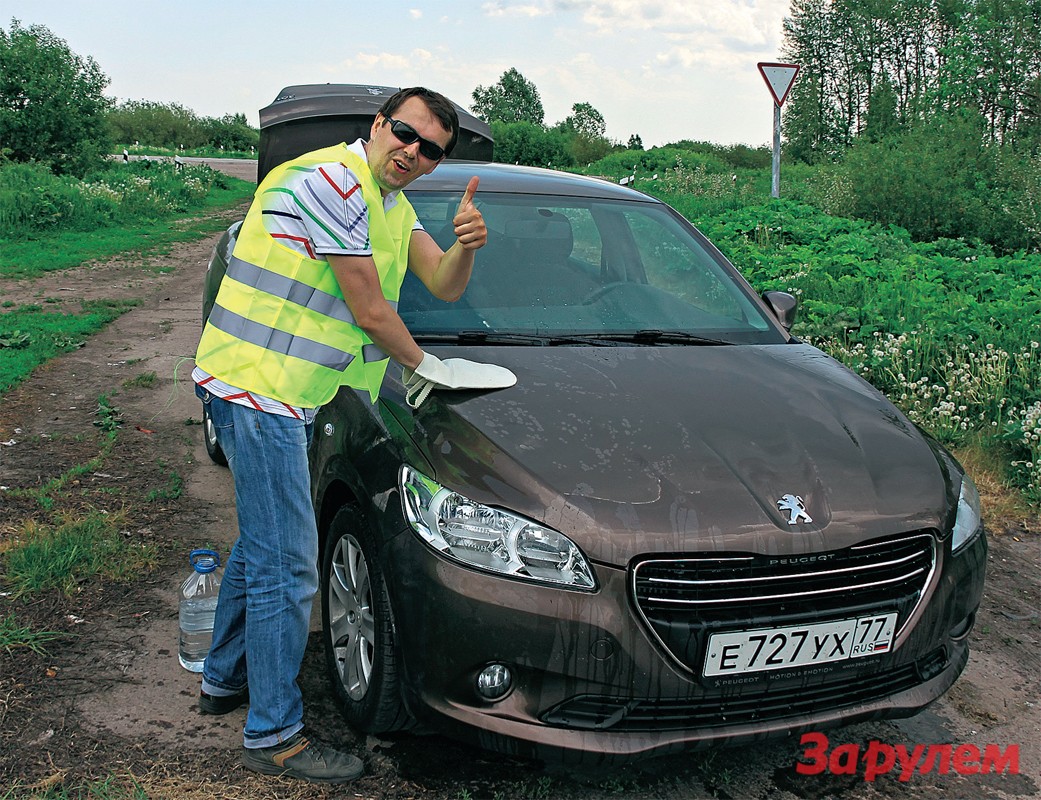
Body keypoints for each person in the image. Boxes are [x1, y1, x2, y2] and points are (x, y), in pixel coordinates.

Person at [190, 87, 489, 784]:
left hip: (287, 392)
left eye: (431, 150)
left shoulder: (392, 203)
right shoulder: (329, 180)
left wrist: (466, 245)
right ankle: (273, 736)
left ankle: (224, 678)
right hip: (254, 385)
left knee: (262, 549)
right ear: (379, 125)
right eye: (406, 135)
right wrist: (429, 368)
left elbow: (442, 283)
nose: (413, 153)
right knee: (289, 567)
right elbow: (369, 308)